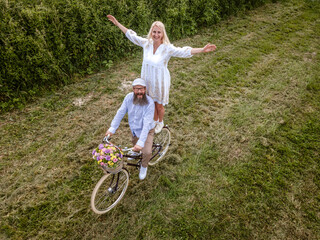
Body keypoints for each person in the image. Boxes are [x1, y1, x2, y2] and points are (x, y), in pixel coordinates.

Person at [107, 15, 217, 133]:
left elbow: (183, 51)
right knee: (151, 103)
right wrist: (117, 24)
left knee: (159, 105)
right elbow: (132, 35)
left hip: (160, 81)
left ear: (162, 34)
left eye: (159, 32)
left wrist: (201, 49)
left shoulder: (167, 48)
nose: (156, 34)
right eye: (154, 32)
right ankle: (154, 121)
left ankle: (160, 121)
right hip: (148, 79)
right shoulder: (146, 43)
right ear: (151, 32)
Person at [105, 78, 155, 180]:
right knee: (134, 142)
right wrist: (112, 128)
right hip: (134, 129)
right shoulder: (128, 98)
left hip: (147, 130)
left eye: (141, 89)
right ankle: (136, 152)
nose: (139, 92)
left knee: (146, 152)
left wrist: (141, 142)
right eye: (137, 89)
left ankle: (144, 166)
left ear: (145, 89)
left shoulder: (149, 103)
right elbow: (120, 112)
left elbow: (146, 125)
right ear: (133, 89)